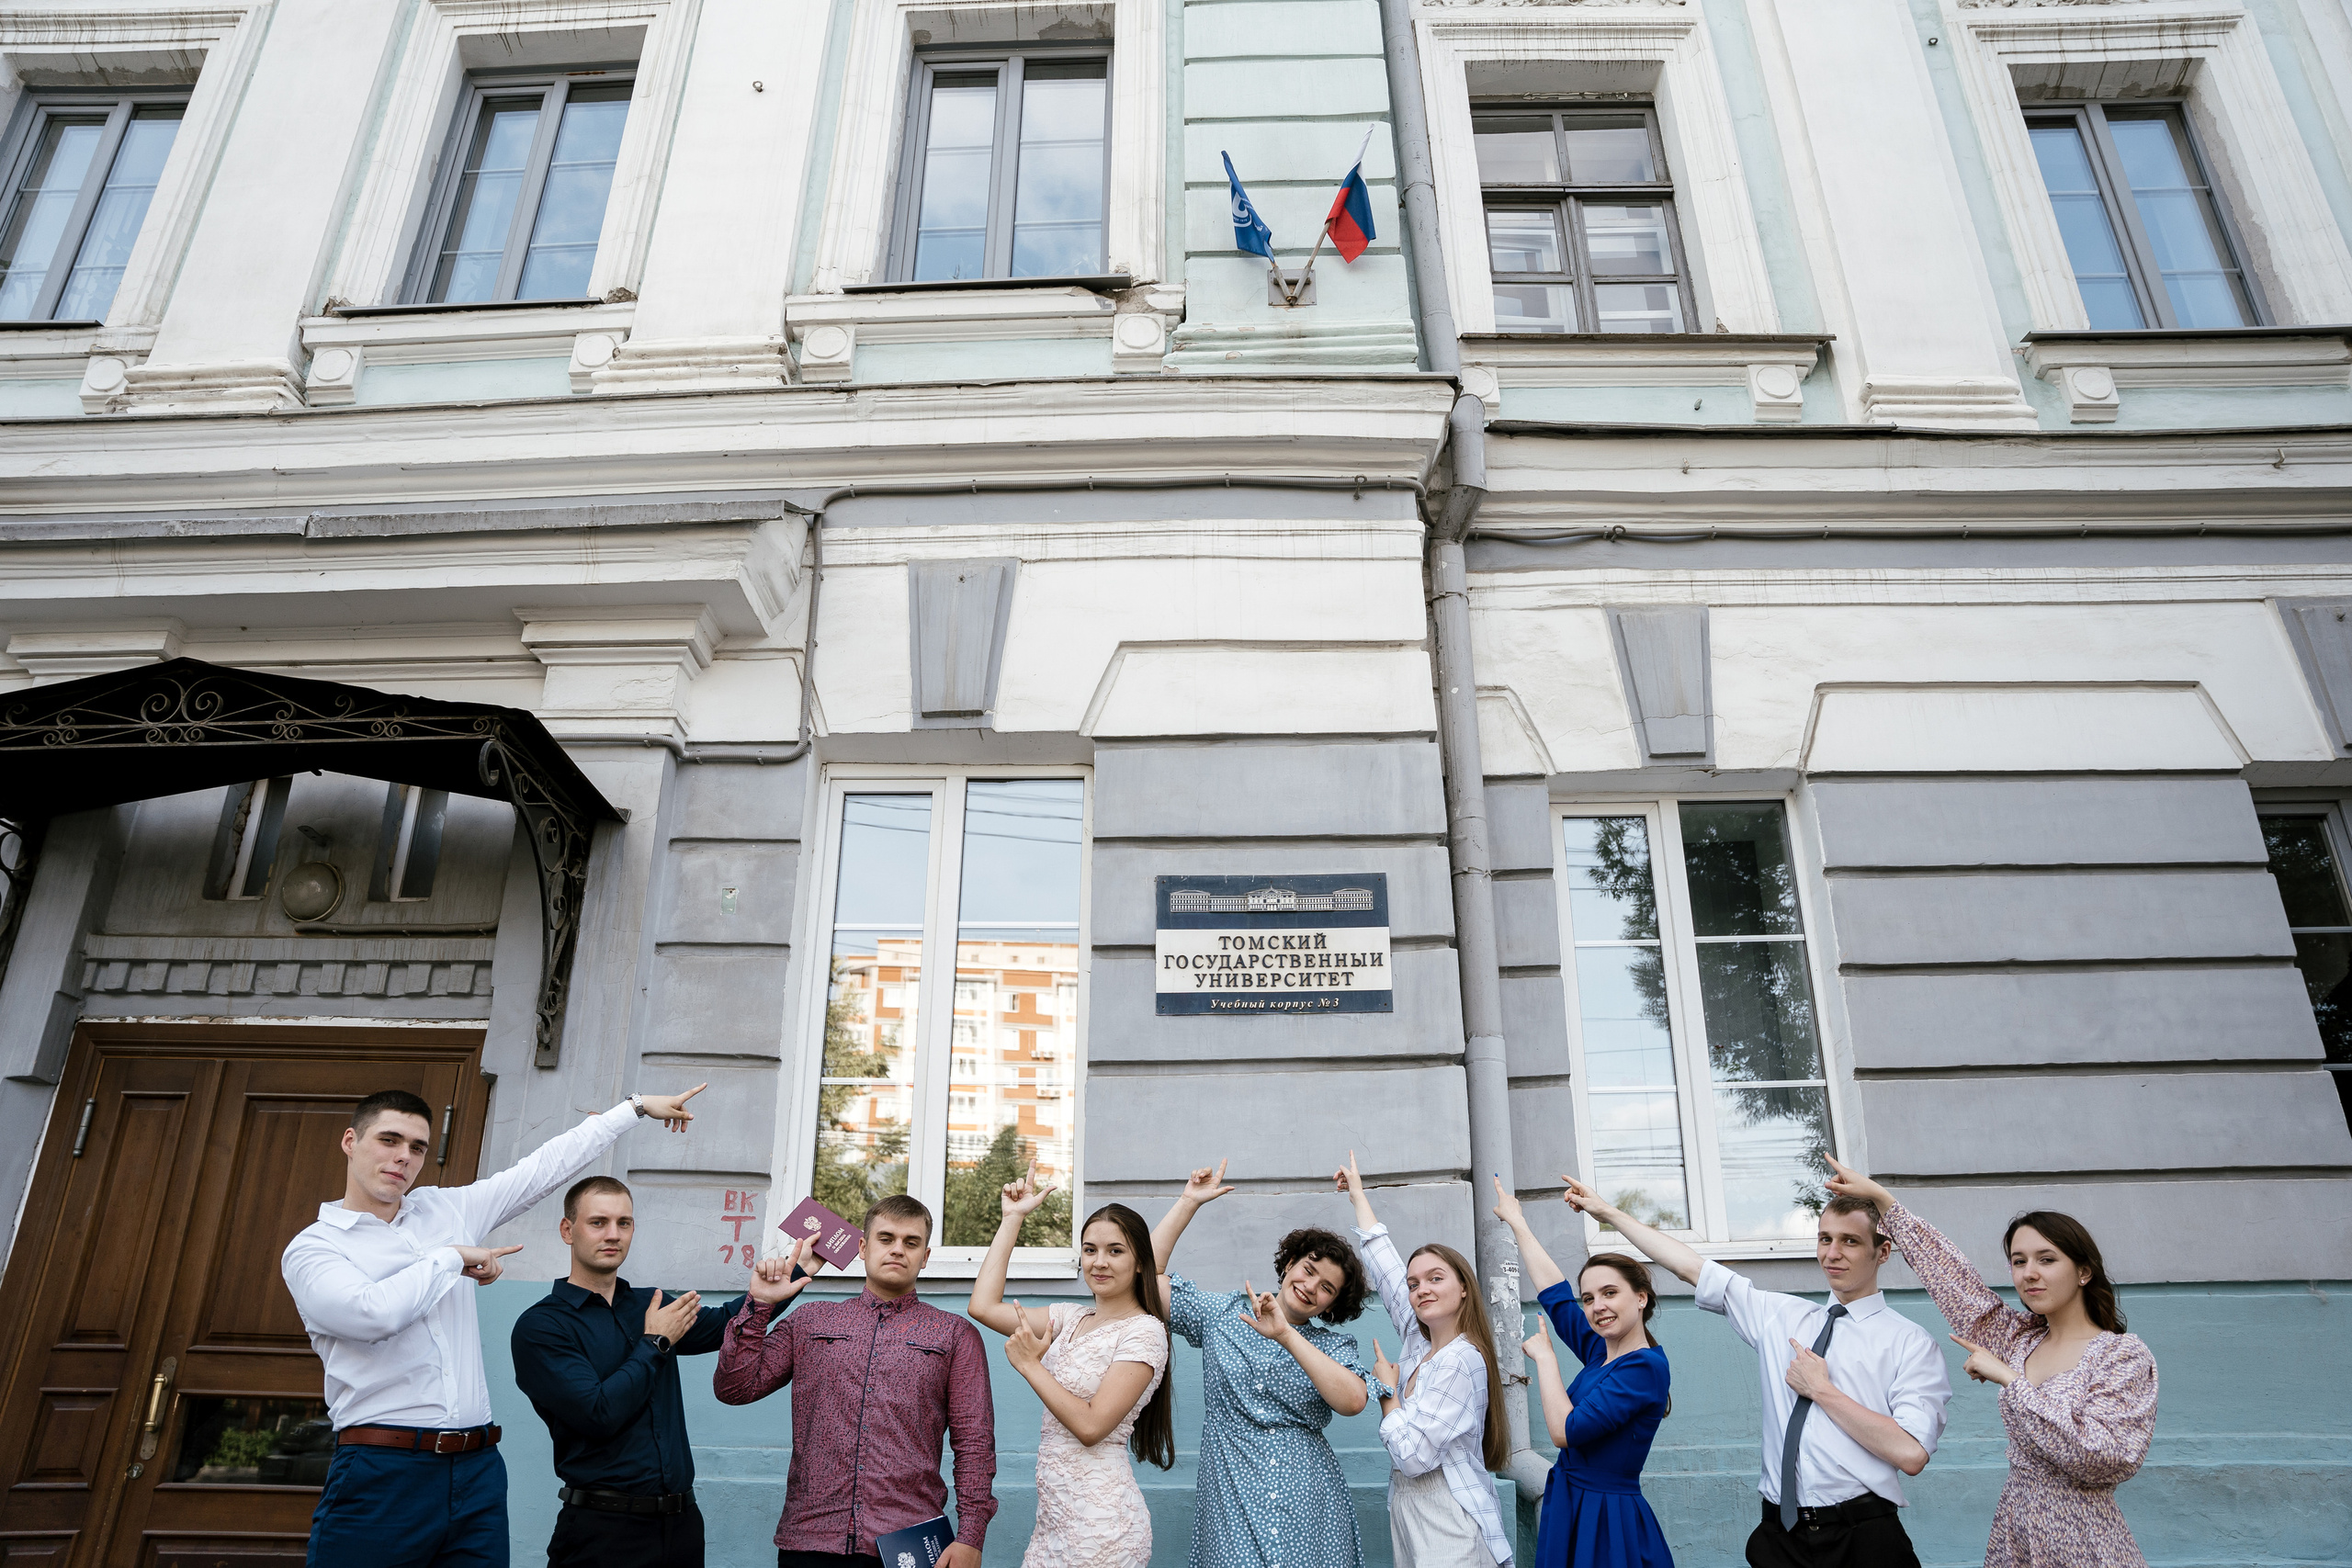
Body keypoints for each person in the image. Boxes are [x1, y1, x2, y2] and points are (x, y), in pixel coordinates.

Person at [281, 1081, 707, 1568]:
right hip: (383, 1465)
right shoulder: (315, 1247)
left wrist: (631, 1109)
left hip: (478, 1466)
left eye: (417, 1147)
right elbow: (369, 1315)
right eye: (389, 1140)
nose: (403, 1157)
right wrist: (448, 1258)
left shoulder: (445, 1210)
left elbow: (542, 1170)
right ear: (351, 1142)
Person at [1557, 1174, 1951, 1568]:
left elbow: (1911, 1453)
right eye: (1824, 1238)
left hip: (1864, 1539)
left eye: (1850, 1241)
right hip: (1780, 1540)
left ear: (1882, 1252)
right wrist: (1606, 1212)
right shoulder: (1782, 1316)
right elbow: (1690, 1267)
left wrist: (1823, 1391)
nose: (1832, 1253)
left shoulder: (1910, 1342)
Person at [1823, 1158, 2157, 1568]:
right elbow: (1953, 1280)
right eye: (2019, 1262)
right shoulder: (2018, 1339)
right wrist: (1884, 1202)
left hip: (2084, 1542)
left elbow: (2103, 1459)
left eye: (2046, 1260)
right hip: (2014, 1537)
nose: (2029, 1274)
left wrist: (2009, 1379)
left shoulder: (2121, 1355)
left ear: (2084, 1271)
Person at [511, 1175, 784, 1568]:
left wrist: (781, 1283)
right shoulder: (542, 1326)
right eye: (598, 1222)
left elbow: (726, 1324)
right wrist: (655, 1343)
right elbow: (598, 1413)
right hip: (603, 1532)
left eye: (624, 1223)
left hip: (682, 1525)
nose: (613, 1234)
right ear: (568, 1231)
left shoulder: (649, 1303)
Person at [713, 1193, 997, 1568]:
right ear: (862, 1247)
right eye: (886, 1239)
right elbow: (735, 1389)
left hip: (908, 1544)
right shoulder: (810, 1321)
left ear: (925, 1258)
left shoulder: (955, 1335)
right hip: (810, 1539)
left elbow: (974, 1443)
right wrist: (759, 1304)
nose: (898, 1250)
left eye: (911, 1243)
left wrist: (971, 1537)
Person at [1150, 1157, 1390, 1568]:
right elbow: (1147, 1282)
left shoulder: (1333, 1347)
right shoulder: (1222, 1313)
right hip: (1231, 1496)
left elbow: (1352, 1400)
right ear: (1289, 1264)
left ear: (1334, 1303)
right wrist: (1188, 1203)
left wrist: (1286, 1335)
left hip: (1308, 1503)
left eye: (1326, 1287)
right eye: (1308, 1270)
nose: (1310, 1286)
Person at [967, 1162, 1174, 1568]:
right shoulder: (1070, 1317)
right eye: (1090, 1249)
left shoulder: (1145, 1333)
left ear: (1139, 1262)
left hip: (1101, 1526)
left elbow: (1092, 1427)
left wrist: (1031, 1367)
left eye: (1115, 1251)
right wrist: (1012, 1219)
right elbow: (983, 1306)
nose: (1099, 1262)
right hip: (1053, 1522)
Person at [1332, 1152, 1511, 1568]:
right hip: (1409, 1511)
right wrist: (1358, 1196)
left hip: (1449, 1516)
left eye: (1436, 1279)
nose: (1421, 1289)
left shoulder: (1461, 1360)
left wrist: (1388, 1394)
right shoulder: (1419, 1341)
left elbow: (1412, 1458)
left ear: (1464, 1288)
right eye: (1416, 1284)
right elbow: (1388, 1270)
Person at [1491, 1179, 1671, 1568]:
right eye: (1589, 1298)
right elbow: (1554, 1293)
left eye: (1610, 1293)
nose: (1597, 1306)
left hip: (1607, 1520)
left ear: (1640, 1298)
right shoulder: (1599, 1351)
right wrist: (1517, 1221)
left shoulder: (1645, 1367)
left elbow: (1565, 1431)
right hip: (1570, 1507)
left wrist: (1545, 1360)